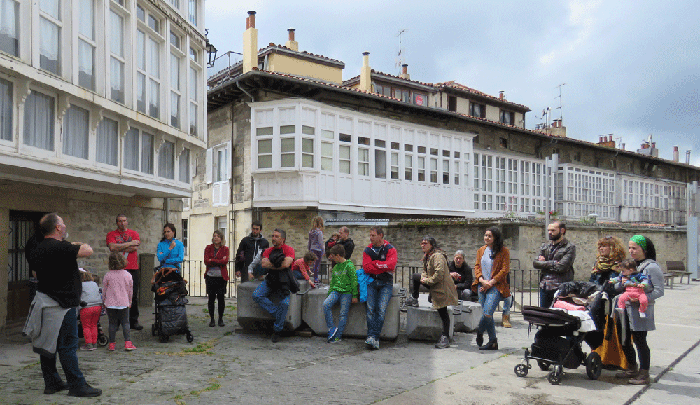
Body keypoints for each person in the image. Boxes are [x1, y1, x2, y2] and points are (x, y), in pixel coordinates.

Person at [24, 213, 101, 397]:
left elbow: (35, 272)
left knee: (47, 345)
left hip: (45, 301)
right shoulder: (61, 247)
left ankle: (52, 383)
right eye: (63, 223)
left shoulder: (36, 247)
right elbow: (88, 250)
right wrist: (73, 244)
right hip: (61, 305)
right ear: (57, 228)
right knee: (67, 345)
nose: (65, 226)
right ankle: (77, 384)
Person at [615, 235, 664, 385]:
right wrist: (621, 284)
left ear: (644, 249)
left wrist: (644, 298)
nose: (631, 251)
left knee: (639, 340)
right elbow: (617, 286)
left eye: (634, 248)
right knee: (624, 339)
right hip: (624, 309)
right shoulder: (628, 265)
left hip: (640, 311)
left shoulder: (651, 267)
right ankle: (631, 367)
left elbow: (659, 290)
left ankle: (644, 373)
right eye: (630, 247)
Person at [252, 229, 295, 343]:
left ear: (283, 239)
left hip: (285, 281)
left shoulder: (289, 249)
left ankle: (277, 330)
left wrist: (274, 265)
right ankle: (277, 313)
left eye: (276, 236)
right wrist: (279, 265)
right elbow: (264, 264)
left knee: (284, 304)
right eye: (273, 236)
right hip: (270, 280)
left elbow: (286, 264)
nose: (273, 238)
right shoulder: (268, 250)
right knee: (256, 295)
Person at [472, 227, 510, 350]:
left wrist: (491, 282)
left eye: (489, 236)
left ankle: (479, 331)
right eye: (485, 235)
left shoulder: (504, 251)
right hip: (482, 285)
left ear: (495, 238)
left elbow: (505, 269)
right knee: (487, 314)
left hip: (496, 286)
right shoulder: (481, 250)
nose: (486, 238)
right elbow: (477, 266)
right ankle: (493, 341)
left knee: (487, 313)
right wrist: (482, 280)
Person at [420, 236, 459, 349]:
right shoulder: (428, 256)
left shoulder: (437, 256)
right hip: (435, 286)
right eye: (421, 243)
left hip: (441, 288)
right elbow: (424, 271)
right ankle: (414, 297)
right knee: (416, 277)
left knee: (443, 312)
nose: (423, 245)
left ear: (431, 245)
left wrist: (427, 280)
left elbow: (439, 274)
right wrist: (423, 277)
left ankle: (445, 337)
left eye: (425, 243)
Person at [362, 226, 397, 350]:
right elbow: (366, 267)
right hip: (371, 282)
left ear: (381, 235)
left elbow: (392, 264)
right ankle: (372, 337)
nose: (371, 238)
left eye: (373, 235)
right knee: (370, 309)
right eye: (370, 235)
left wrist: (375, 264)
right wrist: (383, 266)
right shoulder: (367, 250)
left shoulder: (390, 248)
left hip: (385, 283)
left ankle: (374, 337)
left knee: (381, 310)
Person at [106, 214, 142, 330]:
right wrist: (129, 244)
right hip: (117, 268)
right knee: (116, 294)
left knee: (133, 295)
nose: (122, 223)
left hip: (132, 268)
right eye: (120, 221)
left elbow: (135, 247)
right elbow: (112, 248)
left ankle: (133, 321)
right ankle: (116, 322)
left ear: (127, 222)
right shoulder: (111, 234)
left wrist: (119, 247)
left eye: (124, 220)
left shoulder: (134, 233)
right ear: (117, 223)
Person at [405, 250, 471, 307]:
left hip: (457, 288)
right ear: (454, 258)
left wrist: (456, 286)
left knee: (466, 292)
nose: (458, 260)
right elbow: (436, 275)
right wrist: (450, 275)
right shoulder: (449, 265)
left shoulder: (467, 269)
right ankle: (417, 299)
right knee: (417, 277)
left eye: (460, 258)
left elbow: (468, 284)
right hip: (444, 285)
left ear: (463, 259)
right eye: (457, 258)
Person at [533, 221, 576, 309]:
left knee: (558, 315)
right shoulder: (545, 246)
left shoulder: (569, 247)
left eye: (553, 230)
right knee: (544, 314)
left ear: (562, 230)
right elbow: (536, 263)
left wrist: (544, 264)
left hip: (560, 287)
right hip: (544, 285)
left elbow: (562, 267)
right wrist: (553, 263)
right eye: (548, 230)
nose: (550, 232)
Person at [323, 244, 359, 343]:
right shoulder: (335, 268)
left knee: (343, 314)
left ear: (338, 255)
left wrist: (354, 295)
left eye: (333, 256)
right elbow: (333, 283)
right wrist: (329, 294)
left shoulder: (349, 265)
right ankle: (332, 328)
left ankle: (338, 336)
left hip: (346, 293)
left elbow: (354, 281)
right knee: (326, 304)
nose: (331, 258)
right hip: (336, 291)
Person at [102, 252, 136, 352]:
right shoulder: (127, 275)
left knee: (112, 323)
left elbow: (104, 289)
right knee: (125, 322)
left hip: (110, 303)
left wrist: (103, 301)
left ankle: (112, 344)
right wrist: (130, 301)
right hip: (123, 302)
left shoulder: (108, 275)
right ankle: (128, 342)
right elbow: (130, 290)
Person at [204, 230, 230, 327]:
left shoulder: (225, 249)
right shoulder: (208, 248)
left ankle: (220, 319)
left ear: (221, 238)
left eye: (218, 236)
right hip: (210, 276)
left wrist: (212, 260)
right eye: (214, 236)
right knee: (211, 298)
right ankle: (212, 319)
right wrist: (219, 260)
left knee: (221, 298)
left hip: (221, 277)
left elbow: (225, 261)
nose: (216, 238)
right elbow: (206, 261)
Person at [79, 270, 102, 351]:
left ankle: (88, 344)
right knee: (94, 325)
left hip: (86, 307)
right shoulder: (94, 284)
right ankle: (94, 343)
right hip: (97, 306)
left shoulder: (80, 285)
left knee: (86, 326)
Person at [308, 216, 325, 284]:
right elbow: (321, 243)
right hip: (318, 250)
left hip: (312, 249)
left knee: (311, 264)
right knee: (317, 265)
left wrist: (309, 249)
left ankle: (310, 277)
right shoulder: (319, 232)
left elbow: (309, 242)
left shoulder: (311, 232)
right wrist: (323, 251)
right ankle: (315, 278)